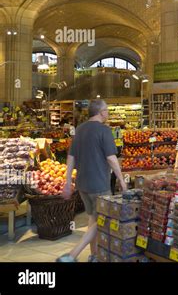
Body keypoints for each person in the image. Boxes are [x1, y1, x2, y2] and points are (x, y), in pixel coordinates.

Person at [57, 99, 127, 262]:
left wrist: (68, 182)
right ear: (101, 112)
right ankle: (72, 255)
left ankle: (94, 255)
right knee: (102, 218)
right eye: (107, 111)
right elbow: (111, 158)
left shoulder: (79, 129)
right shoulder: (104, 130)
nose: (108, 114)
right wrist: (122, 181)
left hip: (83, 185)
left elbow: (70, 157)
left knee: (92, 218)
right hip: (99, 184)